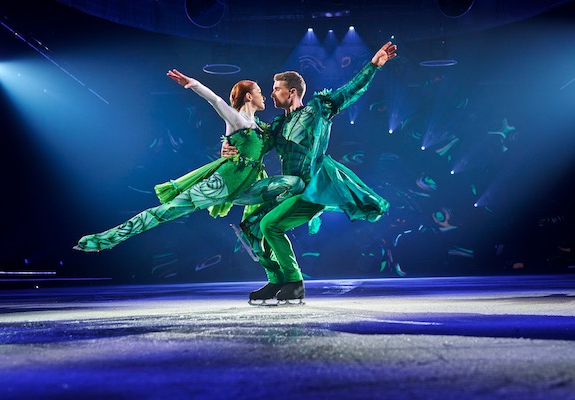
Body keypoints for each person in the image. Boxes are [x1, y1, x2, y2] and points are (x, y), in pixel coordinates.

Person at [224, 41, 397, 304]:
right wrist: (228, 145)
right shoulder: (279, 124)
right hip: (289, 190)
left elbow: (349, 92)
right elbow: (252, 140)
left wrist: (372, 66)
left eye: (276, 90)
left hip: (313, 188)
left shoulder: (318, 109)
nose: (271, 95)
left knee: (271, 225)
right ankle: (276, 281)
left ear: (291, 92)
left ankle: (294, 282)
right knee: (252, 225)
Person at [74, 69, 304, 252]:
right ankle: (108, 238)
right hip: (222, 184)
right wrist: (193, 84)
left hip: (246, 188)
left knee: (293, 184)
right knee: (166, 211)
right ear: (248, 96)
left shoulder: (261, 129)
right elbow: (215, 100)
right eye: (260, 91)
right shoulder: (237, 120)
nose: (265, 96)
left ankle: (254, 228)